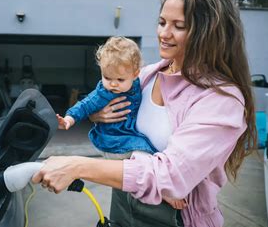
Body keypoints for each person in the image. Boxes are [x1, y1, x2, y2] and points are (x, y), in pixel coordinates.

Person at [32, 0, 257, 227]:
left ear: (207, 34)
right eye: (162, 22)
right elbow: (105, 96)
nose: (164, 33)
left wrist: (77, 166)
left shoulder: (221, 99)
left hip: (170, 219)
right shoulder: (148, 75)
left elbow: (171, 176)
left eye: (179, 26)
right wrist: (97, 115)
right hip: (123, 199)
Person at [57, 36, 187, 209]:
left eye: (119, 80)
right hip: (114, 140)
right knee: (145, 153)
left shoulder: (142, 79)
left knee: (147, 155)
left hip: (125, 136)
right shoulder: (104, 92)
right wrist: (68, 119)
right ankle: (164, 191)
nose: (112, 84)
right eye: (107, 77)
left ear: (135, 74)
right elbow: (85, 105)